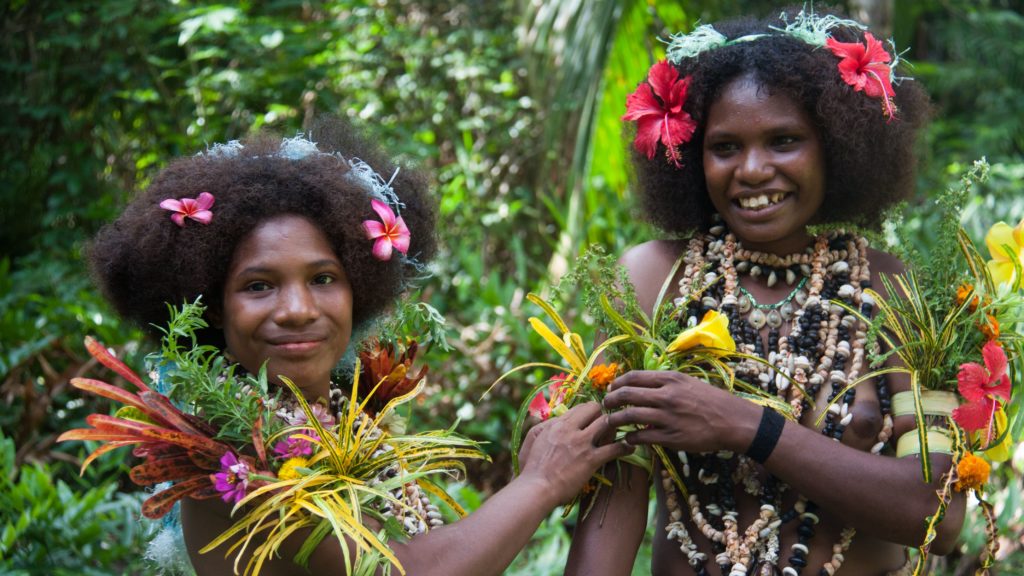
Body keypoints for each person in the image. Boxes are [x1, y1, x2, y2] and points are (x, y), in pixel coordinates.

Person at [87, 118, 632, 576]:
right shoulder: (224, 455)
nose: (298, 308)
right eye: (258, 286)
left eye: (323, 278)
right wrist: (539, 481)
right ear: (210, 306)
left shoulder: (346, 415)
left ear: (358, 291)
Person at [565, 9, 966, 576]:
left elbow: (942, 519)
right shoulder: (652, 282)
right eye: (725, 147)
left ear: (836, 145)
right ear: (692, 157)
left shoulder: (892, 291)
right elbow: (615, 501)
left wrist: (748, 426)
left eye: (784, 141)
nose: (753, 170)